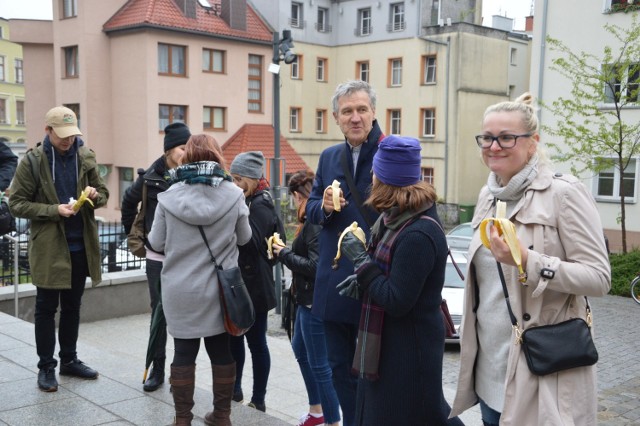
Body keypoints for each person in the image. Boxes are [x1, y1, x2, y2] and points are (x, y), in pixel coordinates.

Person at [450, 93, 611, 425]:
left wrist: (527, 260)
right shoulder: (487, 195)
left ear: (533, 142)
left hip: (540, 370)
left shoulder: (564, 194)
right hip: (490, 370)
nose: (494, 146)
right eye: (487, 138)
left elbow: (598, 278)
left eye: (507, 137)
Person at [335, 135, 464, 426]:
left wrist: (360, 263)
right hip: (389, 347)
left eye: (375, 170)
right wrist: (364, 283)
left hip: (408, 353)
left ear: (384, 178)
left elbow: (396, 301)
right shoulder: (393, 218)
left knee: (423, 415)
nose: (371, 174)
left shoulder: (417, 233)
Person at [147, 134, 251, 425]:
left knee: (183, 352)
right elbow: (245, 237)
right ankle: (222, 415)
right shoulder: (234, 194)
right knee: (220, 351)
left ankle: (182, 419)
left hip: (180, 290)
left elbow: (156, 242)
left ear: (186, 158)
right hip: (219, 291)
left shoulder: (168, 197)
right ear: (218, 158)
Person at [8, 106, 109, 392]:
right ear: (48, 131)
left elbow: (104, 194)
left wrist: (94, 195)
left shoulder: (85, 155)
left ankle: (69, 360)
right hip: (50, 247)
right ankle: (46, 367)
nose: (68, 141)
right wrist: (55, 210)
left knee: (73, 307)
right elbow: (17, 203)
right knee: (46, 308)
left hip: (80, 246)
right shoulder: (32, 161)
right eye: (62, 135)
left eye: (72, 135)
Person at [305, 80, 383, 426]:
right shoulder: (329, 157)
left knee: (375, 370)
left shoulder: (390, 151)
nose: (355, 117)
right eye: (347, 111)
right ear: (336, 117)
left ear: (374, 113)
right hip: (335, 276)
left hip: (376, 275)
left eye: (362, 109)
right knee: (338, 367)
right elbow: (309, 208)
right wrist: (321, 207)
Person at [121, 122, 191, 392]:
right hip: (157, 256)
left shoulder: (190, 174)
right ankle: (157, 369)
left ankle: (181, 371)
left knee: (183, 312)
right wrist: (138, 235)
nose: (186, 152)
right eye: (182, 148)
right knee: (159, 312)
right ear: (169, 150)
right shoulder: (150, 176)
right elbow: (128, 202)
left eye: (188, 147)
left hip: (184, 254)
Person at [272, 170, 341, 426]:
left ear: (297, 195)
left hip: (314, 300)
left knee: (320, 365)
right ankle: (316, 411)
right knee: (300, 350)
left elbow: (315, 265)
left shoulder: (313, 221)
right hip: (305, 298)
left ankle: (331, 421)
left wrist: (283, 254)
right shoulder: (311, 217)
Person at [229, 150, 284, 412]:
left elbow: (250, 243)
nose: (234, 184)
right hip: (239, 283)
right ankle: (234, 389)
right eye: (232, 178)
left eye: (238, 179)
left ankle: (258, 399)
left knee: (257, 343)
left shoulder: (261, 204)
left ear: (252, 179)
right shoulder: (249, 199)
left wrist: (237, 208)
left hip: (256, 286)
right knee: (234, 339)